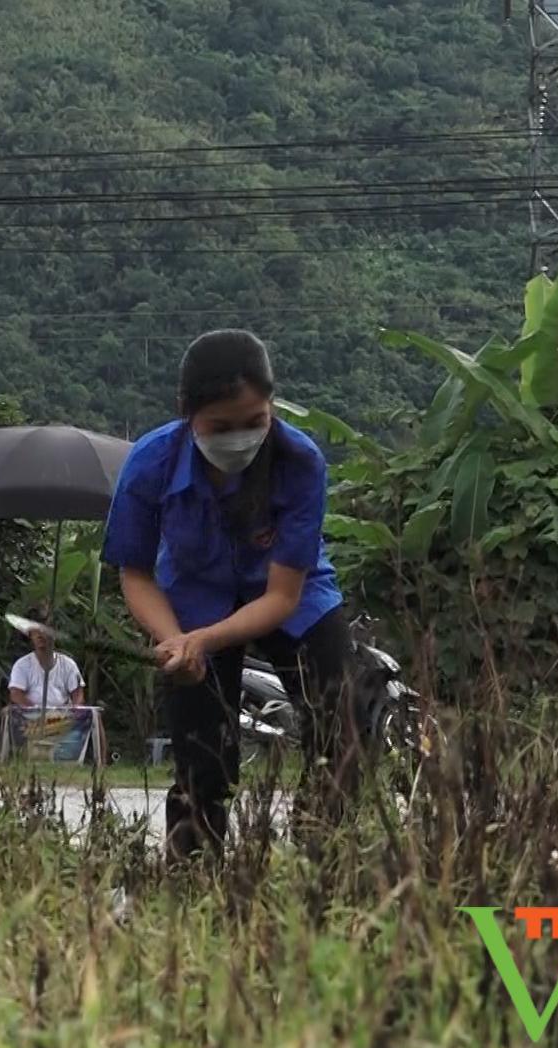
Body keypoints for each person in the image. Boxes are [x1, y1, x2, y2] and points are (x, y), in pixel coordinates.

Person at [102, 329, 354, 861]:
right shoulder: (150, 463)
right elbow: (137, 574)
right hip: (191, 601)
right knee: (203, 755)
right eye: (220, 427)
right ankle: (193, 874)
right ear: (187, 414)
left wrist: (204, 641)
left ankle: (321, 858)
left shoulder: (300, 461)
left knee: (341, 729)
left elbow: (283, 595)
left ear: (271, 407)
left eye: (255, 422)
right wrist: (175, 642)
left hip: (294, 598)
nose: (239, 437)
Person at [7, 625, 86, 710]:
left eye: (44, 631)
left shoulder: (68, 664)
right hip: (30, 716)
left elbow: (78, 694)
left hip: (62, 717)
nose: (39, 635)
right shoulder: (22, 665)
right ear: (31, 637)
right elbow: (16, 694)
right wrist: (36, 711)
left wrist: (74, 711)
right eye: (35, 632)